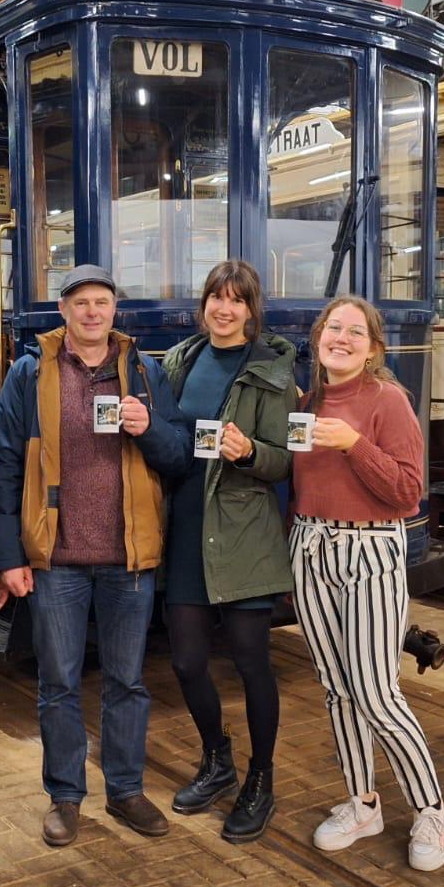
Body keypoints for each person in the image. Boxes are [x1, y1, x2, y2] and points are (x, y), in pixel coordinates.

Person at [0, 263, 190, 846]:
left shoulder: (145, 372)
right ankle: (65, 797)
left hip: (128, 558)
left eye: (102, 302)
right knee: (58, 683)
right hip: (57, 559)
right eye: (81, 303)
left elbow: (178, 456)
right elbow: (5, 464)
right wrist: (8, 554)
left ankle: (126, 791)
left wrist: (150, 428)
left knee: (127, 681)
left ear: (114, 310)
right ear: (64, 311)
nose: (92, 312)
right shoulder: (31, 372)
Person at [289, 294, 444, 873]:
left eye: (356, 332)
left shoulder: (388, 401)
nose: (343, 338)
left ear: (373, 348)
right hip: (310, 547)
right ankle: (362, 804)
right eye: (334, 328)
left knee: (377, 692)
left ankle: (429, 810)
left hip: (370, 550)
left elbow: (407, 492)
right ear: (318, 340)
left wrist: (354, 445)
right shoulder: (305, 403)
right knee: (337, 688)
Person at [160, 260, 296, 844]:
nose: (224, 308)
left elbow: (284, 460)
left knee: (250, 661)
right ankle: (218, 760)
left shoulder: (270, 370)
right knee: (187, 662)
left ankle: (261, 780)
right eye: (217, 297)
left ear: (250, 309)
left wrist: (250, 452)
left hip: (243, 532)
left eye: (236, 300)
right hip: (185, 529)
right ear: (204, 305)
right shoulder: (179, 361)